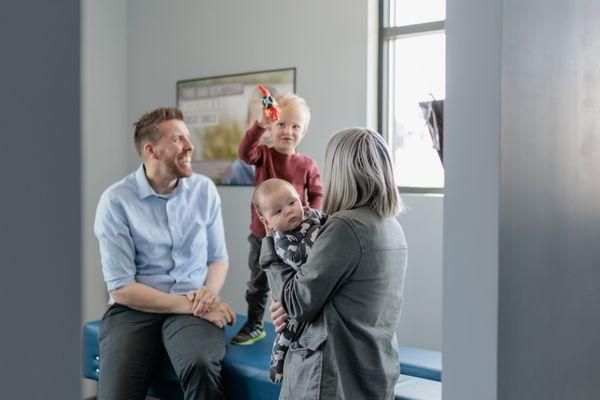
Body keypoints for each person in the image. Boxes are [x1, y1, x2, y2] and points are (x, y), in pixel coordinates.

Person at [94, 107, 236, 400]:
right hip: (135, 309)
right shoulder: (116, 201)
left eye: (188, 137)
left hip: (194, 299)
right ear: (151, 150)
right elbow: (121, 288)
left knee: (200, 365)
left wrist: (208, 293)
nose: (190, 146)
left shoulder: (205, 190)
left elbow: (218, 258)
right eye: (178, 139)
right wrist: (196, 306)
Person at [261, 128, 407, 399]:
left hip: (329, 378)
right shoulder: (392, 226)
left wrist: (269, 250)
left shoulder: (344, 227)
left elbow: (296, 303)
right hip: (373, 372)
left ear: (340, 171)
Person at [231, 93, 323, 345]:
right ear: (271, 127)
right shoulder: (263, 155)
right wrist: (260, 123)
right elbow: (243, 152)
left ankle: (296, 325)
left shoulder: (307, 164)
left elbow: (317, 194)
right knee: (258, 282)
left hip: (296, 239)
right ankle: (254, 324)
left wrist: (310, 218)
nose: (288, 131)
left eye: (295, 126)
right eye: (281, 124)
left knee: (293, 283)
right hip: (263, 236)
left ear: (303, 131)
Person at [251, 178, 327, 382]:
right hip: (294, 290)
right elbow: (300, 256)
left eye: (292, 202)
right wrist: (321, 235)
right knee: (287, 329)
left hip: (308, 291)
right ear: (266, 222)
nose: (288, 211)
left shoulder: (311, 215)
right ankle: (277, 361)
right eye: (277, 211)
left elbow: (327, 220)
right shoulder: (281, 241)